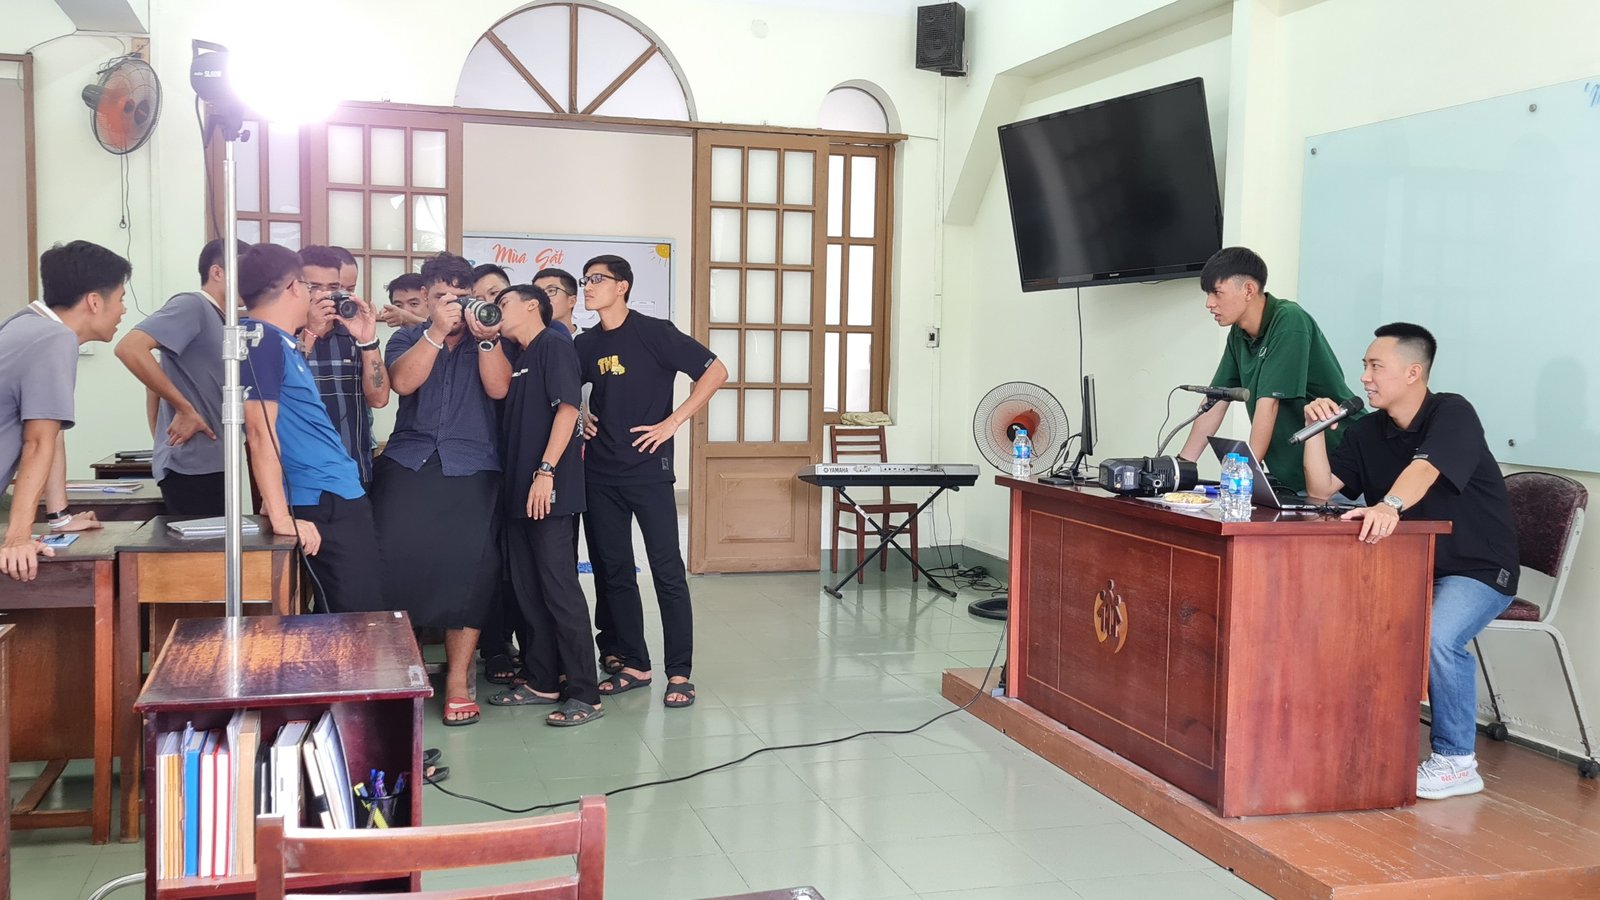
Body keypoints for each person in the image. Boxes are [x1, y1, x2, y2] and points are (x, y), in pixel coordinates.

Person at [1301, 323, 1518, 800]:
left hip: (1478, 569)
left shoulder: (1453, 413)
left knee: (1438, 634)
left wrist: (1389, 505)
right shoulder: (1367, 431)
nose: (1364, 377)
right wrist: (1315, 432)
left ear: (1413, 372)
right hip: (1407, 568)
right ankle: (1349, 738)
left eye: (1375, 366)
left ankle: (1457, 762)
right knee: (1339, 616)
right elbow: (1321, 491)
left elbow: (1425, 467)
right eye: (1364, 366)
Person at [576, 254, 728, 708]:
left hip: (649, 472)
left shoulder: (654, 332)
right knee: (615, 572)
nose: (588, 287)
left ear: (622, 285)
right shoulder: (585, 344)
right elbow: (569, 391)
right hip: (599, 474)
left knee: (667, 572)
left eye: (597, 279)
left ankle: (679, 671)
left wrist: (673, 421)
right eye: (585, 280)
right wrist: (582, 414)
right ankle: (635, 664)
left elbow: (716, 371)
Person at [374, 253, 510, 727]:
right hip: (409, 460)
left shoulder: (488, 337)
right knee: (393, 564)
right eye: (441, 297)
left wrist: (487, 339)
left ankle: (457, 681)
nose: (453, 304)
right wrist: (434, 332)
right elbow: (401, 382)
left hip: (473, 464)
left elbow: (499, 390)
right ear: (426, 298)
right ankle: (401, 673)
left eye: (460, 296)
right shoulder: (407, 337)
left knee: (470, 571)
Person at [237, 243, 384, 614]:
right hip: (324, 496)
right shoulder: (262, 339)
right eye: (309, 286)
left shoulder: (279, 342)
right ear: (293, 288)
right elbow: (259, 432)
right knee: (357, 618)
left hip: (330, 490)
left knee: (350, 611)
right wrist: (280, 514)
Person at [489, 283, 601, 726]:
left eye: (504, 303)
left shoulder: (554, 344)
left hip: (547, 489)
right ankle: (542, 681)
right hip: (518, 490)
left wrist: (546, 470)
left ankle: (585, 692)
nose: (498, 310)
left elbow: (569, 410)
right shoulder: (522, 355)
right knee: (528, 589)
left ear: (532, 305)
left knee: (559, 590)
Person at [1177, 247, 1363, 494]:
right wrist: (1181, 468)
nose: (1209, 303)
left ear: (1248, 290)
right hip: (1292, 476)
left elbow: (1269, 404)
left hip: (1337, 468)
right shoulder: (1239, 334)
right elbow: (1215, 401)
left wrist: (1245, 478)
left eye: (1217, 292)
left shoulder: (1289, 320)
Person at [0, 241, 128, 581]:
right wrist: (17, 538)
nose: (123, 310)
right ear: (95, 302)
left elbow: (50, 431)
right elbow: (37, 442)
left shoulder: (28, 323)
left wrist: (60, 518)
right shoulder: (54, 339)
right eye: (120, 299)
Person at [114, 238, 248, 515]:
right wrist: (184, 409)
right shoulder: (193, 305)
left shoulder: (226, 320)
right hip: (192, 467)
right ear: (217, 272)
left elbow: (157, 375)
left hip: (220, 461)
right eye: (245, 273)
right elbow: (130, 348)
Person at [298, 245, 388, 486]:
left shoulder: (353, 335)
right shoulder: (285, 334)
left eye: (334, 288)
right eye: (314, 287)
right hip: (299, 474)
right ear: (296, 287)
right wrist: (311, 331)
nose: (325, 295)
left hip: (352, 467)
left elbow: (379, 399)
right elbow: (280, 391)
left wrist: (368, 341)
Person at [533, 267, 580, 337]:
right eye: (537, 291)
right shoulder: (524, 341)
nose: (542, 297)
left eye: (551, 291)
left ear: (571, 301)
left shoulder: (590, 340)